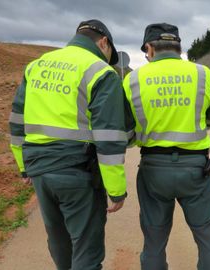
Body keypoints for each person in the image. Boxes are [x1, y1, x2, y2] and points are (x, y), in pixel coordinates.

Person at [9, 19, 131, 270]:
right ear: (104, 42)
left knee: (59, 242)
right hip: (78, 172)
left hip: (40, 171)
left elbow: (17, 121)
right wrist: (116, 189)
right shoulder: (99, 71)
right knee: (87, 249)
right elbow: (109, 137)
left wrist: (24, 167)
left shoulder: (36, 67)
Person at [123, 23, 210, 270]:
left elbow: (126, 134)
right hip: (197, 169)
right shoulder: (203, 74)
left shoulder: (132, 79)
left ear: (149, 48)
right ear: (178, 47)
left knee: (154, 242)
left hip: (153, 170)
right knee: (207, 240)